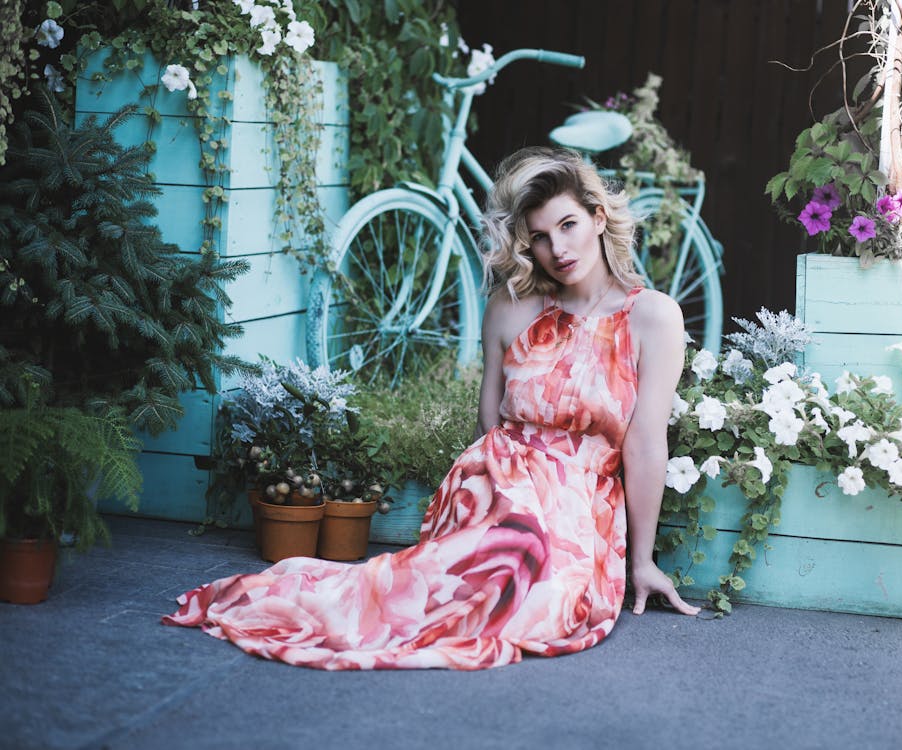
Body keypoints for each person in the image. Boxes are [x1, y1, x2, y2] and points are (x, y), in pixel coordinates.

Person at [163, 146, 699, 670]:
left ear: (598, 217)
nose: (557, 248)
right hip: (501, 480)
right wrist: (506, 489)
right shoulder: (511, 309)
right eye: (538, 236)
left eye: (568, 225)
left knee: (543, 601)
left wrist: (642, 561)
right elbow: (490, 424)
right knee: (497, 557)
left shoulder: (652, 317)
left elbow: (646, 443)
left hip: (582, 501)